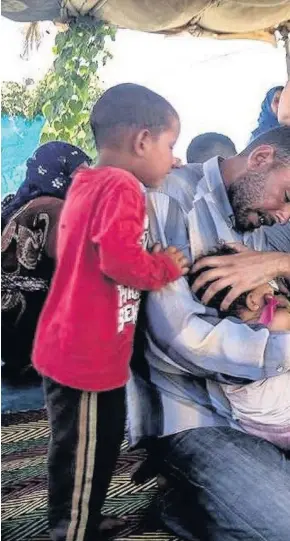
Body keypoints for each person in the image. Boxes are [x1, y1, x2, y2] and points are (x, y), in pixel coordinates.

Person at [32, 83, 190, 541]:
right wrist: (163, 266)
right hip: (84, 357)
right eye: (170, 146)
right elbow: (118, 261)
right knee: (82, 449)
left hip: (80, 346)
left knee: (92, 446)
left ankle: (83, 516)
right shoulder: (124, 186)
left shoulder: (87, 182)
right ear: (142, 141)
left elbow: (75, 249)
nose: (174, 159)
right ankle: (71, 531)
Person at [127, 125, 290, 541]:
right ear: (260, 158)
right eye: (287, 197)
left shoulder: (258, 216)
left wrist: (276, 262)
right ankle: (184, 502)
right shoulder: (169, 198)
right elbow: (183, 339)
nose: (285, 215)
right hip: (196, 412)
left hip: (270, 402)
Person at [1, 141, 91, 378]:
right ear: (57, 174)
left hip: (12, 343)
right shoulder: (55, 208)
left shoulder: (16, 208)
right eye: (80, 173)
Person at [190, 244, 290, 451]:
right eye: (268, 281)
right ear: (254, 300)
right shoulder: (278, 321)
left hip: (254, 427)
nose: (274, 288)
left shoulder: (226, 335)